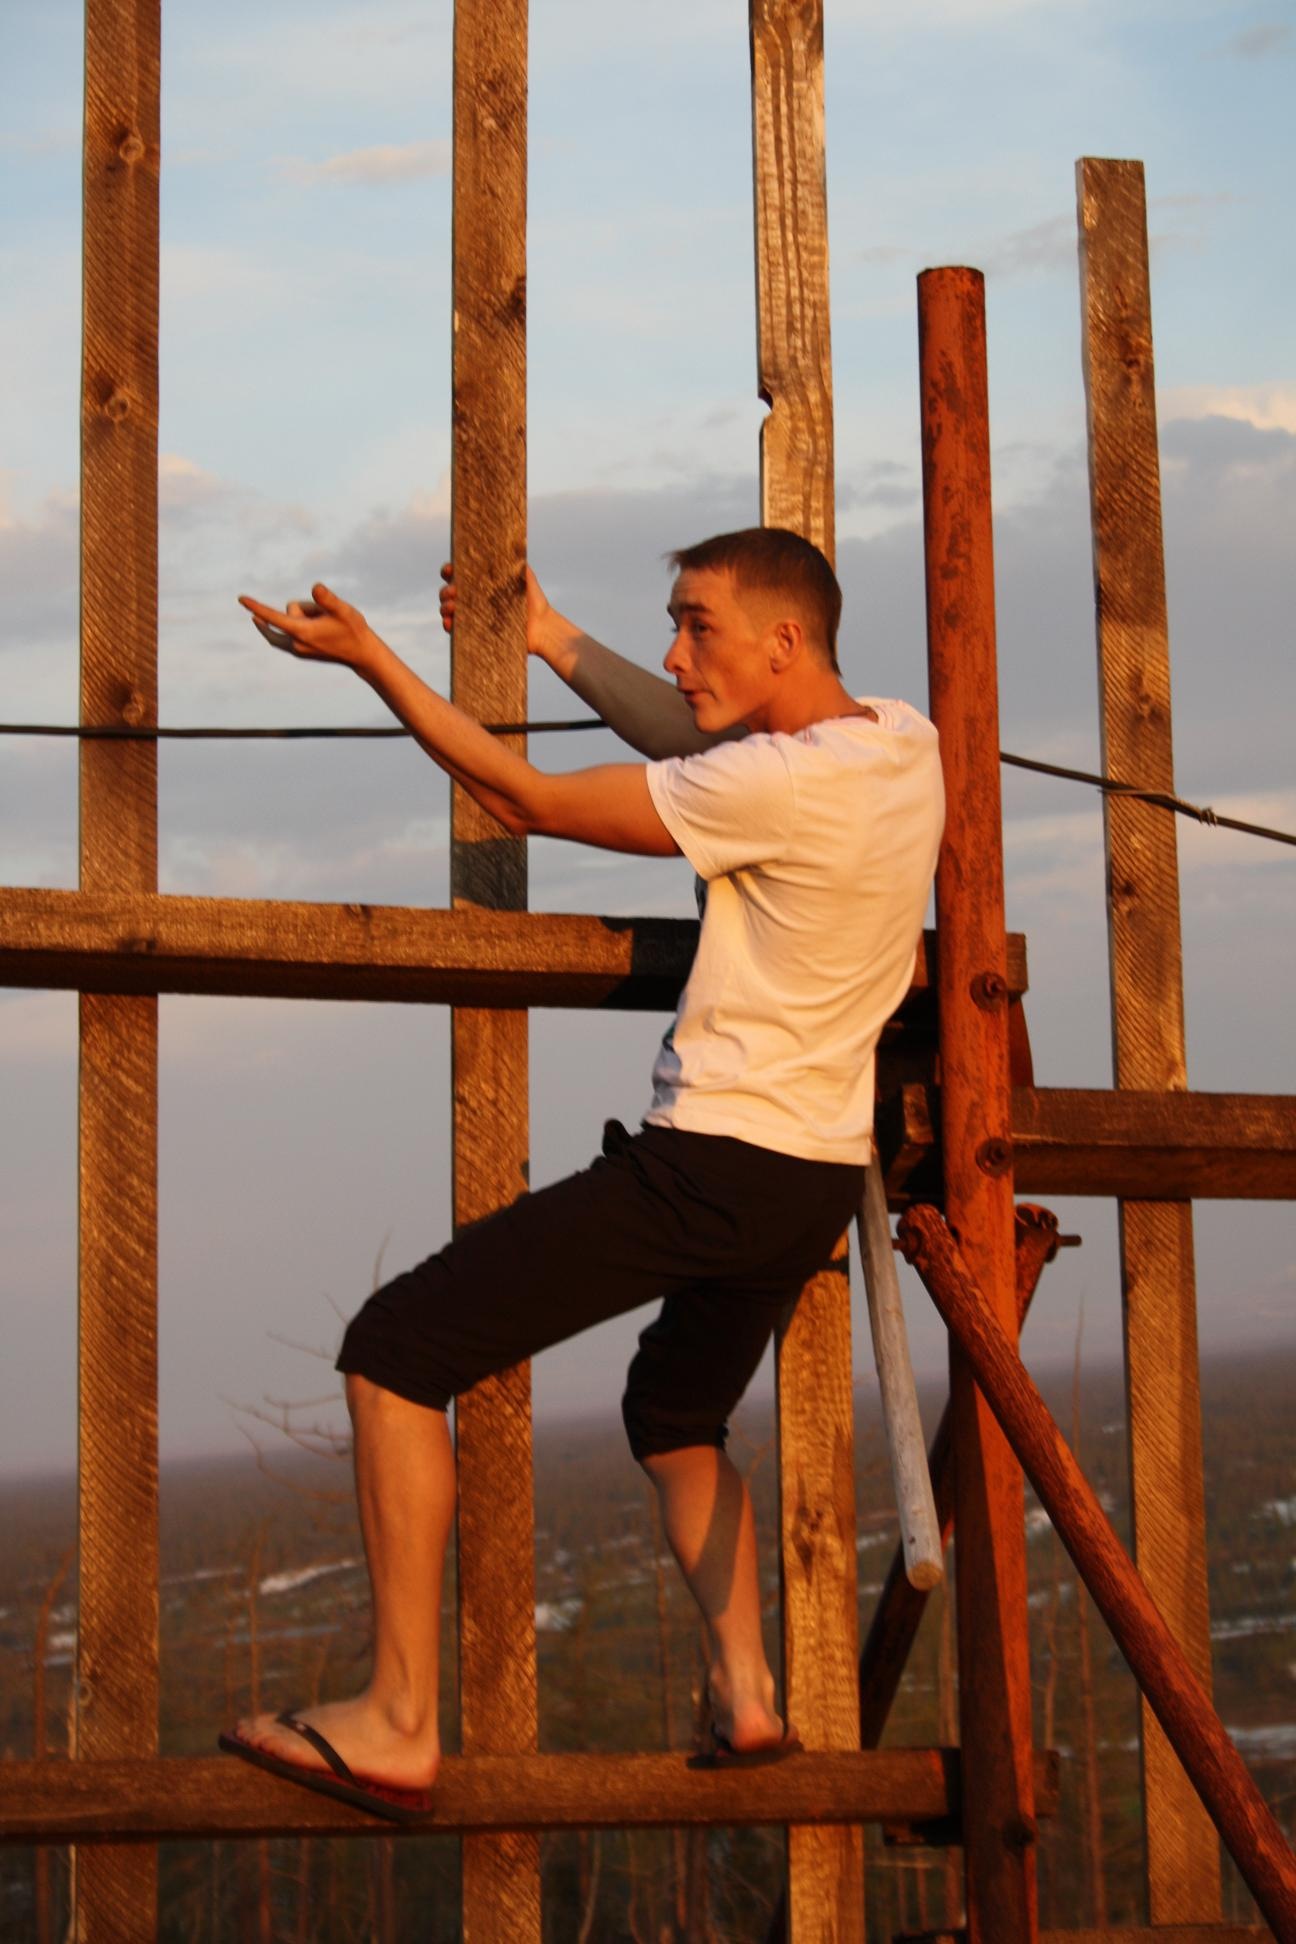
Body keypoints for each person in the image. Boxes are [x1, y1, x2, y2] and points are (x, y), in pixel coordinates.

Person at [220, 526, 944, 1821]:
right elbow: (704, 750)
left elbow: (525, 800)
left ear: (784, 641)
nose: (676, 654)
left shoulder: (777, 784)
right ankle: (749, 1698)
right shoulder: (899, 742)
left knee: (395, 1353)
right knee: (674, 1416)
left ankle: (397, 1721)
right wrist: (552, 639)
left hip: (712, 1162)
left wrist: (374, 660)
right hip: (811, 1182)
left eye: (698, 627)